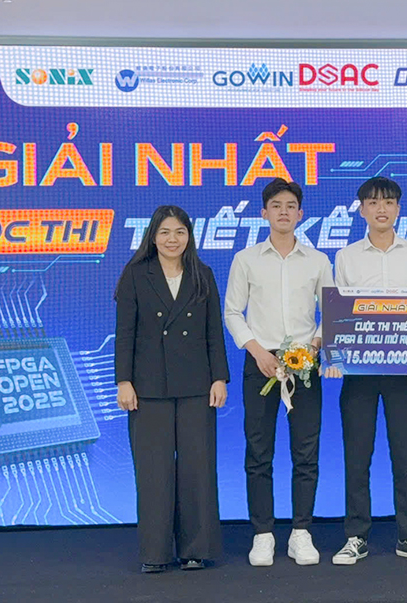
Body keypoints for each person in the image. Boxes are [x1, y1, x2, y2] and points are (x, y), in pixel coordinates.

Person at [330, 176, 407, 566]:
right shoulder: (346, 256)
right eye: (374, 202)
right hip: (358, 372)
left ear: (398, 208)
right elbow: (339, 314)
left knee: (404, 453)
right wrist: (336, 356)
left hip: (404, 371)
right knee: (357, 454)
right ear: (362, 209)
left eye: (389, 202)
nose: (382, 209)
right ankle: (355, 536)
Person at [224, 178, 334, 567]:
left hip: (305, 364)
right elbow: (232, 311)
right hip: (261, 362)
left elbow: (332, 311)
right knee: (259, 451)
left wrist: (314, 347)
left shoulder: (318, 260)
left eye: (290, 206)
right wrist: (256, 351)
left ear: (300, 214)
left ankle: (301, 532)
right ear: (264, 213)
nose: (283, 212)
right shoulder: (246, 259)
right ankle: (263, 534)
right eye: (276, 205)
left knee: (306, 451)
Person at [115, 205, 230, 573]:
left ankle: (195, 549)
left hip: (197, 385)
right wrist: (123, 381)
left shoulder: (202, 274)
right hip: (148, 387)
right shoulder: (136, 274)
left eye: (180, 232)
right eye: (165, 232)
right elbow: (125, 333)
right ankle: (155, 552)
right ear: (153, 236)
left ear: (189, 237)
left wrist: (219, 377)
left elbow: (213, 331)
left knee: (198, 468)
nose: (172, 239)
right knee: (154, 471)